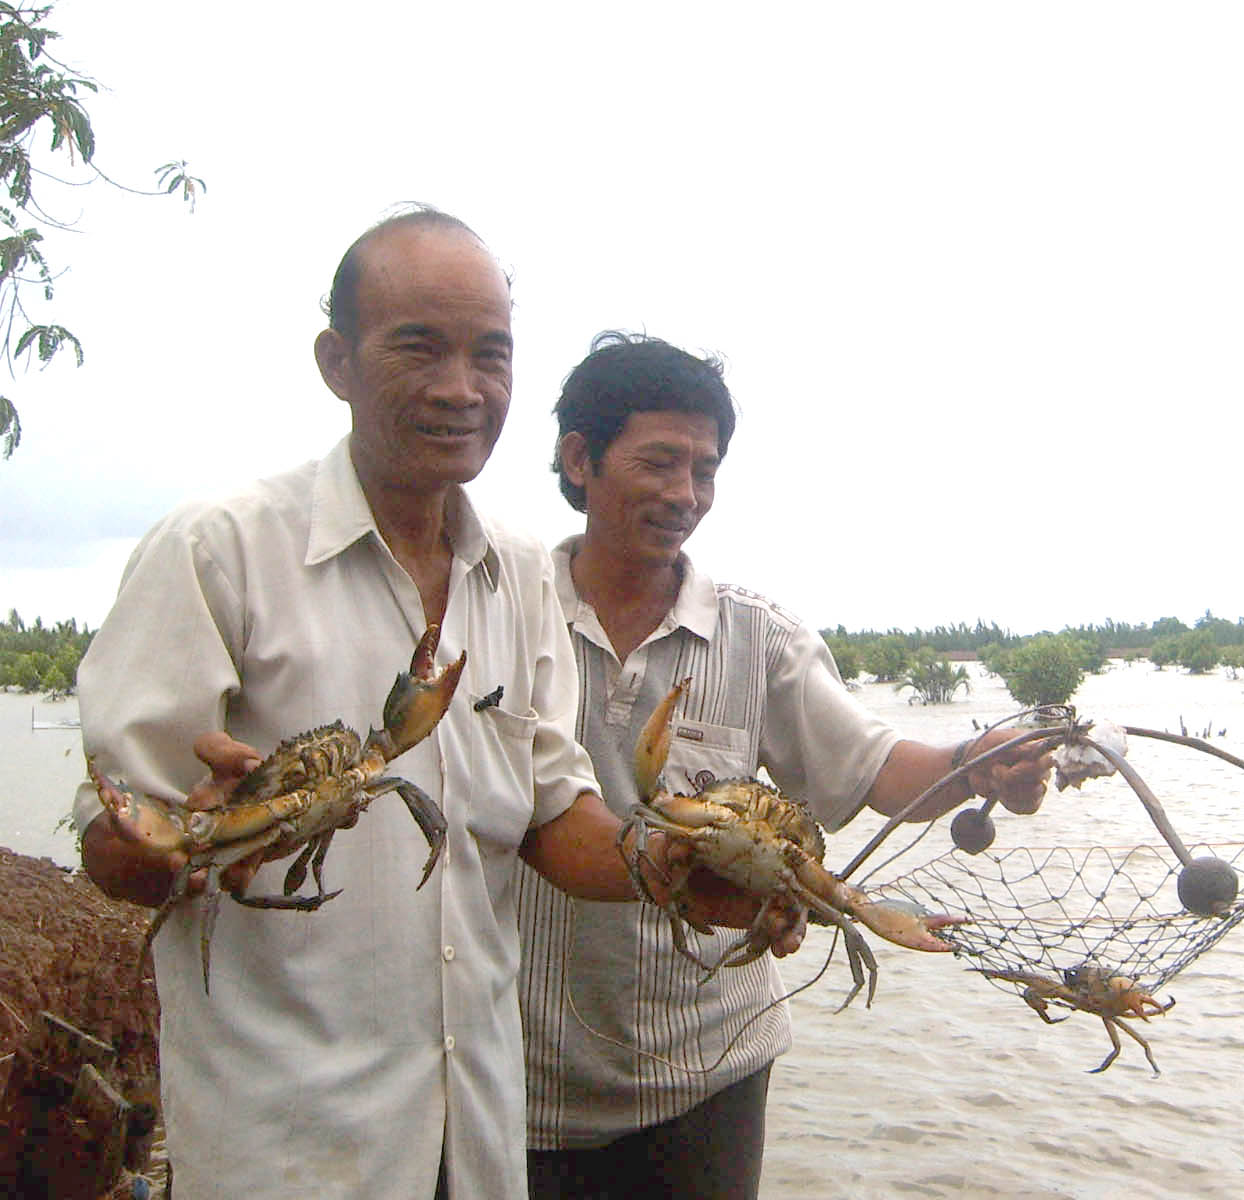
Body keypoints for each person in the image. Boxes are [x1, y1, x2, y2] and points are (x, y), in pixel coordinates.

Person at [72, 213, 792, 1199]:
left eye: (490, 355)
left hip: (482, 1132)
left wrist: (664, 865)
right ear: (338, 362)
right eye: (420, 346)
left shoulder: (520, 577)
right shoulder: (217, 554)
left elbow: (548, 809)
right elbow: (116, 835)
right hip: (289, 1146)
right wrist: (167, 842)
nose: (463, 388)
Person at [516, 331, 1054, 1198]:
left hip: (708, 1077)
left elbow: (872, 764)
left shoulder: (754, 635)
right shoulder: (504, 613)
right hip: (514, 1080)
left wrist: (973, 760)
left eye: (706, 470)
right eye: (658, 463)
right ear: (580, 458)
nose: (684, 494)